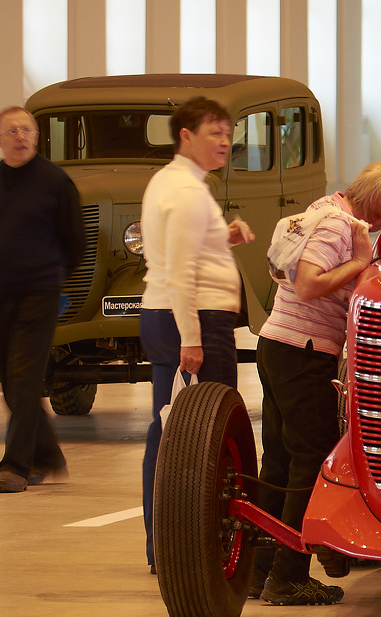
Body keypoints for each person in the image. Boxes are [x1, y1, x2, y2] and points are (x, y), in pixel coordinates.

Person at [252, 162, 381, 606]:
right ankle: (287, 576)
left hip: (277, 344)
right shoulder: (341, 227)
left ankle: (257, 569)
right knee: (310, 462)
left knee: (280, 462)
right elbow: (309, 285)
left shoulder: (322, 208)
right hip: (304, 352)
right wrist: (363, 263)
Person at [139, 96, 254, 572]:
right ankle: (181, 546)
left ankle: (165, 545)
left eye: (228, 133)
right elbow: (182, 272)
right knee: (196, 437)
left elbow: (177, 252)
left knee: (170, 431)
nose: (225, 141)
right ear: (185, 135)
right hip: (193, 321)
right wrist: (192, 339)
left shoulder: (174, 183)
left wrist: (220, 237)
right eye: (214, 132)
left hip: (179, 316)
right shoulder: (186, 192)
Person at [0, 106, 86, 494]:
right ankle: (46, 455)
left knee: (23, 381)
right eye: (11, 130)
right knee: (9, 383)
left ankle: (15, 467)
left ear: (36, 137)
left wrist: (51, 279)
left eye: (26, 130)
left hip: (39, 292)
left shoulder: (56, 183)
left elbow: (75, 241)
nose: (20, 136)